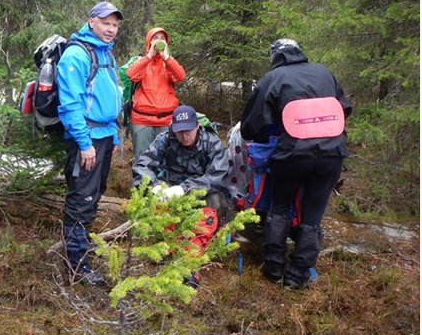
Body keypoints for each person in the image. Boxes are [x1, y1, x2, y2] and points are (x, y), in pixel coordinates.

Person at [240, 38, 352, 289]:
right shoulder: (325, 73)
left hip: (292, 154)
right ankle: (297, 275)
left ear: (274, 56)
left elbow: (249, 127)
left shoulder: (273, 78)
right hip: (331, 154)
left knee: (279, 208)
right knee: (312, 217)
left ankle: (273, 268)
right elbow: (344, 109)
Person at [56, 1, 123, 285]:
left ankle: (81, 248)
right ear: (91, 21)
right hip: (87, 140)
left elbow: (111, 96)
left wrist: (115, 136)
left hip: (104, 136)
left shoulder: (105, 53)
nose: (111, 29)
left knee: (94, 195)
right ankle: (76, 265)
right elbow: (70, 105)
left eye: (115, 25)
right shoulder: (76, 55)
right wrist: (84, 144)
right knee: (81, 199)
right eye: (106, 23)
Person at [132, 104, 231, 287]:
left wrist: (186, 188)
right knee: (158, 207)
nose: (184, 136)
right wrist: (155, 187)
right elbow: (141, 165)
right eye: (180, 132)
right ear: (173, 129)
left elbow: (218, 176)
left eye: (188, 131)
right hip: (170, 189)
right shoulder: (165, 139)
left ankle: (189, 262)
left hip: (203, 191)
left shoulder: (211, 142)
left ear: (197, 127)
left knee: (211, 208)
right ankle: (167, 246)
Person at [125, 28, 186, 161]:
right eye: (155, 37)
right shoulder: (141, 61)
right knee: (142, 159)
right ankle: (142, 182)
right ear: (149, 42)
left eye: (162, 38)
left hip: (166, 120)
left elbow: (180, 76)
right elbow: (131, 75)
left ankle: (162, 183)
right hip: (142, 120)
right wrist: (149, 56)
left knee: (166, 158)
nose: (159, 40)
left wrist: (166, 58)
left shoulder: (169, 62)